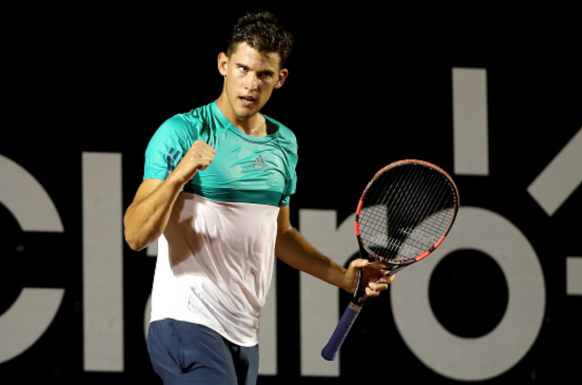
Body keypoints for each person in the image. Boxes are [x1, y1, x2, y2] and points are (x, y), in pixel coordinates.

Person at [123, 11, 395, 385]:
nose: (250, 84)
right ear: (223, 64)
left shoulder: (285, 143)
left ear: (280, 79)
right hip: (186, 323)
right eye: (242, 69)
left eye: (264, 74)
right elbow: (136, 235)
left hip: (244, 334)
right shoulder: (181, 132)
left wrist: (345, 280)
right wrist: (179, 176)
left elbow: (280, 236)